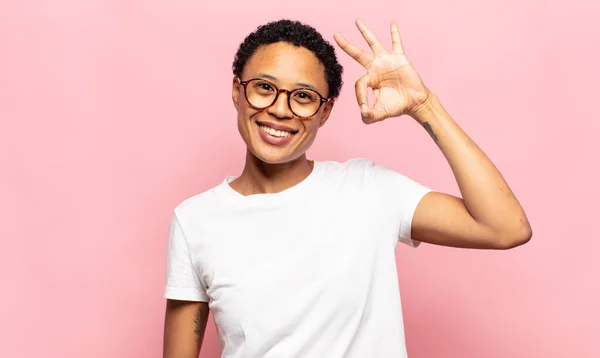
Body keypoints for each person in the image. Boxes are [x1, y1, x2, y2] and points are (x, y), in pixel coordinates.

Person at [162, 18, 532, 358]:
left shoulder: (369, 190)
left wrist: (425, 106)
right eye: (264, 88)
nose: (279, 109)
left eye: (303, 96)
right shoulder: (196, 220)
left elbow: (505, 227)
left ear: (325, 112)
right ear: (237, 91)